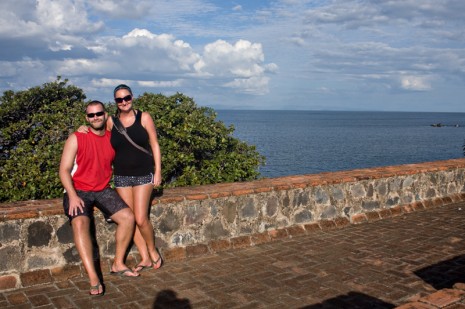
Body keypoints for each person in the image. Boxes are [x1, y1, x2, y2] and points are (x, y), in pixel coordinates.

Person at [79, 85, 163, 272]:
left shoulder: (144, 117)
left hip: (143, 174)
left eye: (127, 98)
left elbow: (155, 145)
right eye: (119, 99)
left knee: (141, 218)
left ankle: (152, 250)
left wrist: (158, 171)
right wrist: (83, 127)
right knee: (131, 218)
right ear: (115, 102)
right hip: (122, 176)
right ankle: (144, 258)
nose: (124, 102)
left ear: (132, 97)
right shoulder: (111, 122)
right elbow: (97, 129)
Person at [59, 100, 139, 297]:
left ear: (105, 115)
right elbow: (64, 170)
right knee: (79, 224)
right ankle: (94, 278)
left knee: (128, 218)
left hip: (103, 189)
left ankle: (118, 264)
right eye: (91, 115)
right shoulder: (77, 137)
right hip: (78, 190)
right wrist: (72, 195)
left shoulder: (112, 139)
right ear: (87, 118)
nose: (95, 117)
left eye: (99, 114)